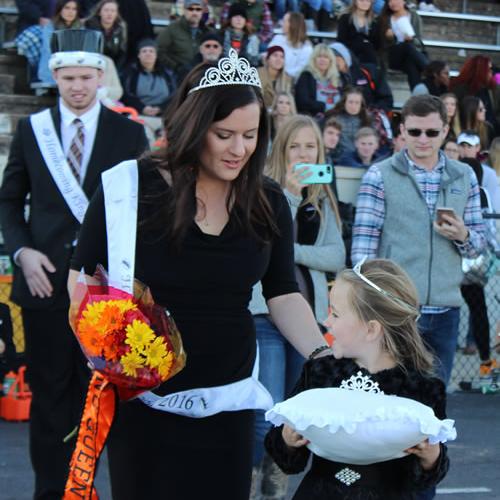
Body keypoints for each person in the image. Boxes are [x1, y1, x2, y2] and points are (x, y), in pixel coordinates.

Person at [68, 50, 332, 500]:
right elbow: (81, 282)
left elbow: (283, 292)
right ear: (194, 127)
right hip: (143, 400)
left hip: (229, 400)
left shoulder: (267, 200)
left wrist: (322, 355)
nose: (239, 149)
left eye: (250, 136)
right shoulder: (128, 187)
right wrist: (112, 347)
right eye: (224, 134)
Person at [0, 29, 148, 500]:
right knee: (49, 398)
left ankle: (87, 487)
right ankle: (50, 492)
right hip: (43, 287)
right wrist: (22, 254)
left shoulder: (129, 133)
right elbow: (9, 201)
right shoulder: (32, 129)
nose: (77, 86)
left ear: (101, 76)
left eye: (86, 76)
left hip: (103, 293)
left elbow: (142, 209)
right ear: (54, 77)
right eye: (68, 78)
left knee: (102, 397)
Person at [265, 258, 450, 499]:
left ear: (371, 329)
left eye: (336, 314)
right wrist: (287, 440)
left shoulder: (423, 387)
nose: (326, 322)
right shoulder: (320, 374)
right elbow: (289, 462)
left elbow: (426, 478)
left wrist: (431, 458)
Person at [351, 95, 486, 391]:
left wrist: (462, 235)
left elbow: (479, 246)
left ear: (445, 130)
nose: (423, 139)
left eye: (432, 132)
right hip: (395, 313)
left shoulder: (464, 176)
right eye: (414, 132)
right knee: (389, 404)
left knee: (434, 409)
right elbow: (363, 254)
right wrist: (376, 306)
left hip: (446, 310)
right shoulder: (379, 175)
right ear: (402, 130)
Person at [251, 114, 345, 500]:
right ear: (280, 151)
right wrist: (288, 196)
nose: (303, 154)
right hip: (266, 317)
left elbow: (336, 255)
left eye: (311, 147)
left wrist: (297, 253)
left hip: (308, 320)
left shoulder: (321, 198)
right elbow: (265, 245)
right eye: (295, 147)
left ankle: (275, 491)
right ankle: (253, 489)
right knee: (266, 412)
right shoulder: (265, 191)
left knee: (294, 411)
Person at [458, 156, 498, 383]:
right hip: (459, 264)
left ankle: (485, 363)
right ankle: (485, 363)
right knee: (476, 311)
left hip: (469, 264)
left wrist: (494, 251)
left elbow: (489, 228)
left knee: (479, 310)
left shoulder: (479, 193)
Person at [120, 38, 177, 141]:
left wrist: (160, 108)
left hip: (164, 116)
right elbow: (126, 95)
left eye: (151, 51)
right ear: (139, 55)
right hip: (138, 115)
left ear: (156, 55)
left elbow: (175, 95)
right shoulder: (130, 73)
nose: (148, 54)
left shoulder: (168, 73)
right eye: (144, 51)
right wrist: (142, 108)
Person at [374, 0, 428, 90]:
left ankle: (417, 96)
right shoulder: (384, 18)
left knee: (411, 64)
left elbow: (419, 41)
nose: (393, 3)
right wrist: (390, 38)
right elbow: (380, 44)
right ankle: (429, 69)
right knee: (407, 46)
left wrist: (412, 39)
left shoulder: (414, 16)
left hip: (410, 55)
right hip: (392, 56)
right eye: (390, 1)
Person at [330, 41, 394, 112]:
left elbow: (386, 99)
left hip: (370, 117)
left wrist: (372, 110)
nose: (334, 62)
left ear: (345, 57)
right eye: (330, 59)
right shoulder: (331, 78)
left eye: (336, 58)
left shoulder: (369, 71)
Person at [157, 0, 213, 79]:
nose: (194, 12)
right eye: (191, 9)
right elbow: (159, 50)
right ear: (184, 10)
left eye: (198, 9)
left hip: (203, 76)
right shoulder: (172, 29)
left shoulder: (208, 32)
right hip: (177, 76)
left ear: (202, 12)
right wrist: (176, 67)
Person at [450, 55, 500, 135]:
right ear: (480, 70)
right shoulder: (461, 90)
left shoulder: (491, 89)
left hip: (490, 133)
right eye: (489, 69)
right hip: (467, 133)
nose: (492, 72)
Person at [37, 0, 83, 85]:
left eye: (74, 9)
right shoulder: (50, 27)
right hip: (53, 69)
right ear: (60, 9)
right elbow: (49, 50)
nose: (70, 12)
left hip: (75, 69)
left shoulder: (81, 29)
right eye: (67, 8)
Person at [324, 86, 372, 160]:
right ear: (344, 102)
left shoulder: (367, 120)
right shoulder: (333, 118)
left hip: (361, 159)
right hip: (337, 158)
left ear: (361, 105)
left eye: (357, 103)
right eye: (350, 102)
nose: (353, 106)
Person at [457, 131, 500, 212]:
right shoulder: (450, 169)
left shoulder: (489, 174)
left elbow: (491, 204)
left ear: (478, 147)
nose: (465, 150)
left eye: (469, 146)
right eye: (462, 146)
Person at [295, 43, 341, 118]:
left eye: (326, 57)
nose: (322, 60)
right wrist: (324, 106)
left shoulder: (337, 77)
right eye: (319, 56)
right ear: (314, 59)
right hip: (313, 120)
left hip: (336, 119)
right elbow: (302, 102)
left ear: (331, 60)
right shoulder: (306, 76)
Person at [268, 12, 313, 80]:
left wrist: (281, 74)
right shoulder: (277, 38)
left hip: (291, 83)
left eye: (284, 21)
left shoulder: (306, 48)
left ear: (292, 24)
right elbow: (268, 58)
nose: (281, 23)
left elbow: (299, 70)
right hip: (271, 77)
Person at [85, 0, 128, 70]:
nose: (109, 14)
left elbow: (122, 53)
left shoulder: (120, 29)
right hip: (92, 66)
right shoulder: (89, 27)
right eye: (106, 10)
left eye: (113, 11)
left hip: (112, 68)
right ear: (99, 12)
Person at [337, 0, 378, 69]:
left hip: (367, 54)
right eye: (361, 0)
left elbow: (375, 42)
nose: (365, 3)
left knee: (367, 47)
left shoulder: (374, 21)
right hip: (350, 52)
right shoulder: (345, 18)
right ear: (355, 2)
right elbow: (341, 40)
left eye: (368, 1)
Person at [258, 45, 293, 111]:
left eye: (282, 57)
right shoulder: (257, 74)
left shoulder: (288, 79)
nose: (278, 59)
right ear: (268, 59)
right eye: (275, 55)